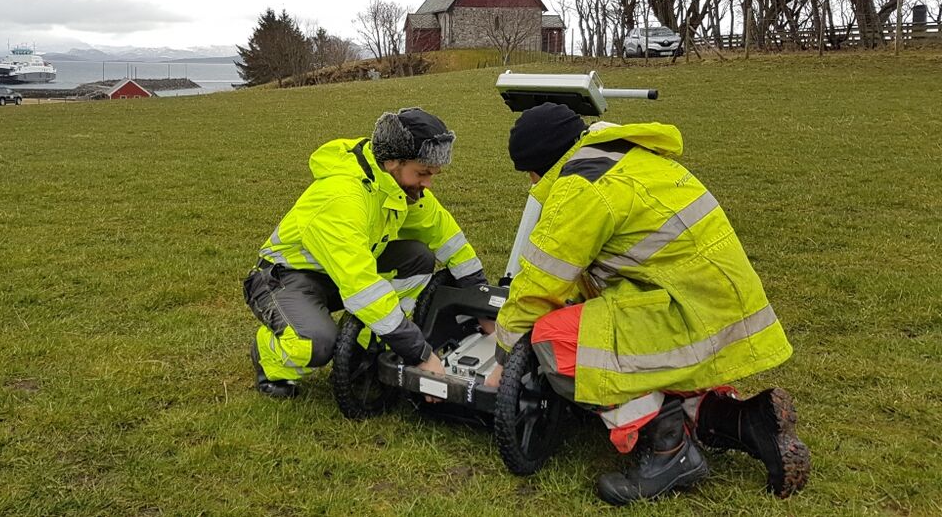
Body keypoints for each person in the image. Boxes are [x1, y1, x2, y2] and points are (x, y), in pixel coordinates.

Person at [485, 103, 811, 505]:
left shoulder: (581, 186)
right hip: (715, 308)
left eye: (530, 175)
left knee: (558, 340)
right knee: (624, 340)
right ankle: (744, 421)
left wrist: (503, 359)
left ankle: (669, 451)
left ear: (539, 167)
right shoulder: (627, 157)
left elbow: (539, 284)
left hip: (682, 314)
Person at [243, 107, 487, 399]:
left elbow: (449, 239)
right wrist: (420, 354)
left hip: (340, 273)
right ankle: (268, 356)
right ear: (392, 161)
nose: (428, 183)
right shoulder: (343, 197)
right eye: (422, 173)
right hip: (284, 277)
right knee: (316, 344)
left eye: (433, 174)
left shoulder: (398, 188)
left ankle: (370, 341)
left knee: (417, 256)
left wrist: (482, 305)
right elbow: (362, 286)